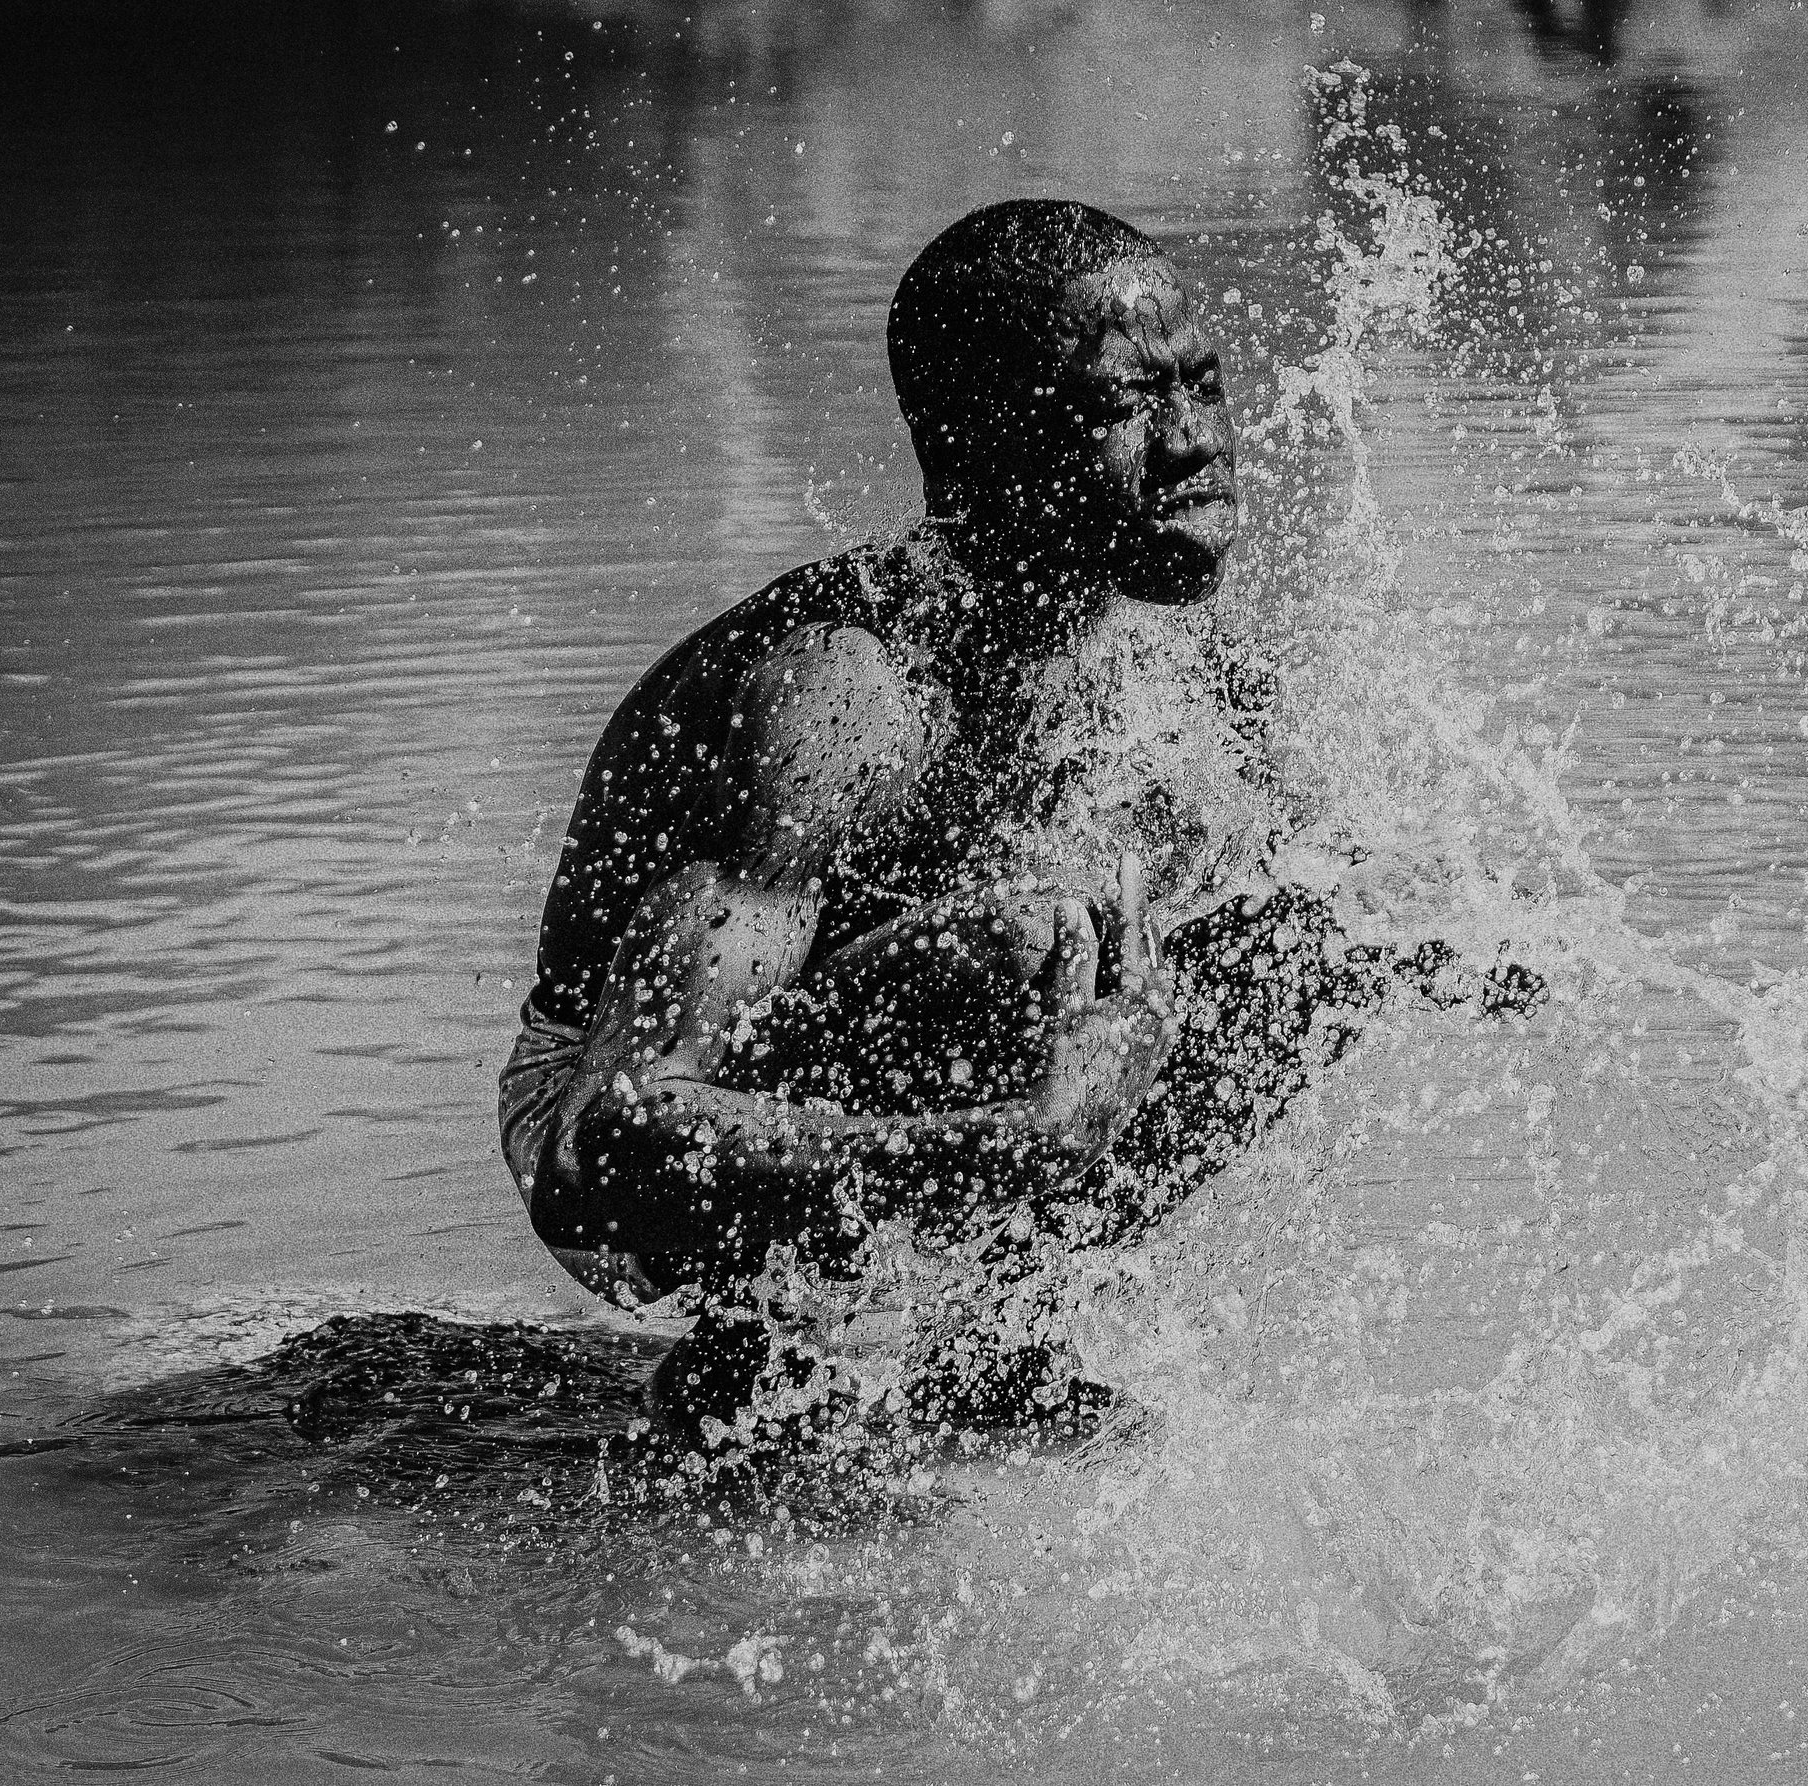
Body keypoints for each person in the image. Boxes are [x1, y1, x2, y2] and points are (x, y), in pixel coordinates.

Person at [498, 200, 1524, 1447]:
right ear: (969, 446)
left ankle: (975, 1336)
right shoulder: (844, 700)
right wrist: (1013, 1141)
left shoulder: (1175, 660)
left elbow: (1324, 879)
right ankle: (758, 1354)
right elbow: (598, 1152)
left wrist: (1460, 940)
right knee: (1025, 942)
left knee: (1310, 944)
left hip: (885, 1085)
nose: (1196, 442)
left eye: (1204, 385)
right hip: (608, 1133)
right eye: (1128, 402)